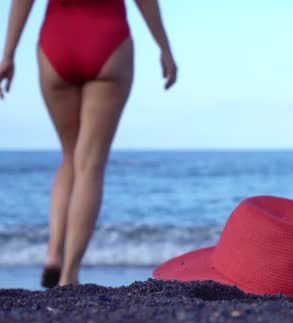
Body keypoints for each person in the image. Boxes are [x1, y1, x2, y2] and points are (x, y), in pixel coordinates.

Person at [0, 0, 178, 287]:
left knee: (70, 157)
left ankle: (53, 253)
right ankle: (69, 274)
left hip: (57, 41)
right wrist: (165, 49)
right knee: (90, 164)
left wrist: (8, 54)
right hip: (109, 40)